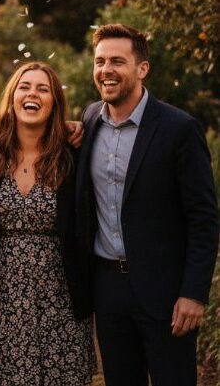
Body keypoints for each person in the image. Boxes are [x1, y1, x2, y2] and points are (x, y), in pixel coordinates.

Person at [76, 24, 218, 386]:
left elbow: (203, 218)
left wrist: (193, 293)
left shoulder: (178, 128)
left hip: (167, 293)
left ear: (142, 69)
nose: (106, 70)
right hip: (107, 289)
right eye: (100, 61)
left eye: (117, 62)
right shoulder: (90, 120)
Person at [0, 62, 95, 385]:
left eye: (43, 89)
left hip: (61, 301)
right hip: (2, 301)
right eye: (25, 87)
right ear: (12, 96)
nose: (33, 94)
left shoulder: (73, 155)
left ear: (54, 102)